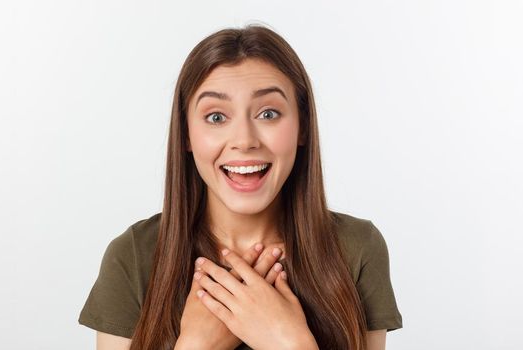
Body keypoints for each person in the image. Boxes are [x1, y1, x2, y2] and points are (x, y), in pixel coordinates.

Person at [78, 24, 402, 350]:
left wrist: (291, 343)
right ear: (186, 135)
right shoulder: (134, 257)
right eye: (216, 117)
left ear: (302, 127)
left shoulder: (355, 248)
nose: (244, 141)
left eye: (268, 113)